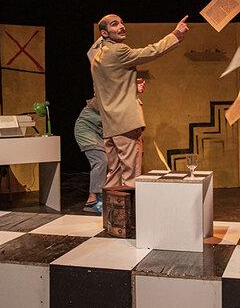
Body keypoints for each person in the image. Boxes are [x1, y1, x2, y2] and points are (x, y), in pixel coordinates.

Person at [91, 14, 188, 188]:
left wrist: (132, 87)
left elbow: (109, 86)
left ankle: (112, 207)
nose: (121, 26)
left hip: (110, 124)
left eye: (122, 23)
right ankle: (132, 207)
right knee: (131, 175)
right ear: (104, 33)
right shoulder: (118, 50)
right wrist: (176, 35)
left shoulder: (98, 56)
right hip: (126, 123)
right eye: (115, 24)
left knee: (114, 174)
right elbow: (151, 51)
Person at [74, 96, 106, 214]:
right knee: (101, 161)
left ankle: (102, 196)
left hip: (98, 133)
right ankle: (93, 199)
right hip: (86, 131)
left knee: (109, 161)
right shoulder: (103, 97)